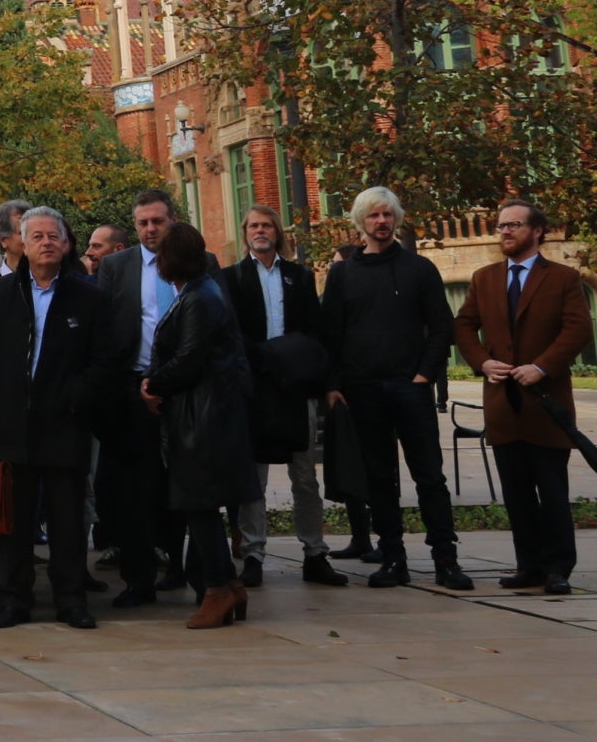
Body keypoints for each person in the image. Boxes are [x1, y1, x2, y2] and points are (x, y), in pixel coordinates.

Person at [320, 186, 465, 591]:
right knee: (379, 480)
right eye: (373, 216)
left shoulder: (420, 269)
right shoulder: (342, 274)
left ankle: (445, 560)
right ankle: (392, 558)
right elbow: (330, 334)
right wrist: (333, 384)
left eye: (387, 215)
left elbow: (441, 329)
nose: (381, 222)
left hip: (410, 387)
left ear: (396, 219)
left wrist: (423, 377)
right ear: (360, 222)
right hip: (362, 390)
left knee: (430, 477)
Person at [0, 206, 105, 630]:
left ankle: (70, 599)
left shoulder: (89, 296)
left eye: (54, 236)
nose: (47, 243)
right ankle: (14, 598)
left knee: (67, 519)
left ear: (66, 245)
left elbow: (103, 360)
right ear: (22, 245)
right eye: (38, 236)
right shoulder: (0, 294)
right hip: (13, 423)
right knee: (15, 521)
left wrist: (76, 398)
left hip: (66, 422)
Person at [455, 198, 591, 596]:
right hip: (502, 403)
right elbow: (464, 326)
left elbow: (578, 330)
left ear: (537, 231)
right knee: (515, 493)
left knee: (552, 491)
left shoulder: (563, 278)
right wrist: (482, 362)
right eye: (501, 226)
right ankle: (528, 566)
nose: (505, 232)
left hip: (546, 403)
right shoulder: (484, 278)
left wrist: (542, 366)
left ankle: (558, 568)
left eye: (514, 225)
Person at [142, 221, 258, 628]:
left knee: (201, 507)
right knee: (202, 507)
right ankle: (229, 587)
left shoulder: (199, 297)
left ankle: (219, 589)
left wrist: (152, 383)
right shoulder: (199, 292)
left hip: (202, 419)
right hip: (204, 413)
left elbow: (190, 357)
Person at [221, 206, 343, 589]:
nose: (260, 231)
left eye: (266, 225)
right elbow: (230, 335)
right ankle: (254, 554)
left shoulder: (299, 277)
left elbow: (317, 333)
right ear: (245, 233)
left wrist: (325, 383)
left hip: (296, 388)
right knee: (253, 478)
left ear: (277, 232)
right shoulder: (230, 279)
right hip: (255, 388)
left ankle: (314, 553)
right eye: (253, 225)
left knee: (305, 476)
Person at [95, 188, 181, 608]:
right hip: (134, 391)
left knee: (185, 485)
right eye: (143, 223)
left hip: (186, 392)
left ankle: (183, 568)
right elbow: (107, 331)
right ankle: (139, 579)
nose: (150, 229)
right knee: (136, 491)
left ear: (173, 222)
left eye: (157, 221)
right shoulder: (115, 267)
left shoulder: (200, 263)